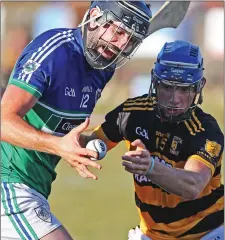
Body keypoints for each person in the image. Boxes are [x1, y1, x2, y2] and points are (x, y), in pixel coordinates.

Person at [1, 1, 153, 239]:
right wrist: (59, 146)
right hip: (8, 182)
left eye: (130, 39)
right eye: (119, 31)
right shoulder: (54, 53)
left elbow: (57, 129)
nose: (122, 44)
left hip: (34, 188)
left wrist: (86, 145)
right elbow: (3, 120)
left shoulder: (104, 66)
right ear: (94, 17)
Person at [81, 40, 224, 240]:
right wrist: (63, 131)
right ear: (155, 82)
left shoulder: (206, 131)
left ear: (198, 88)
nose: (175, 99)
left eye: (184, 89)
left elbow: (193, 186)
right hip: (152, 234)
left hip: (206, 232)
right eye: (167, 87)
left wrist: (150, 167)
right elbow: (90, 143)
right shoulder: (132, 114)